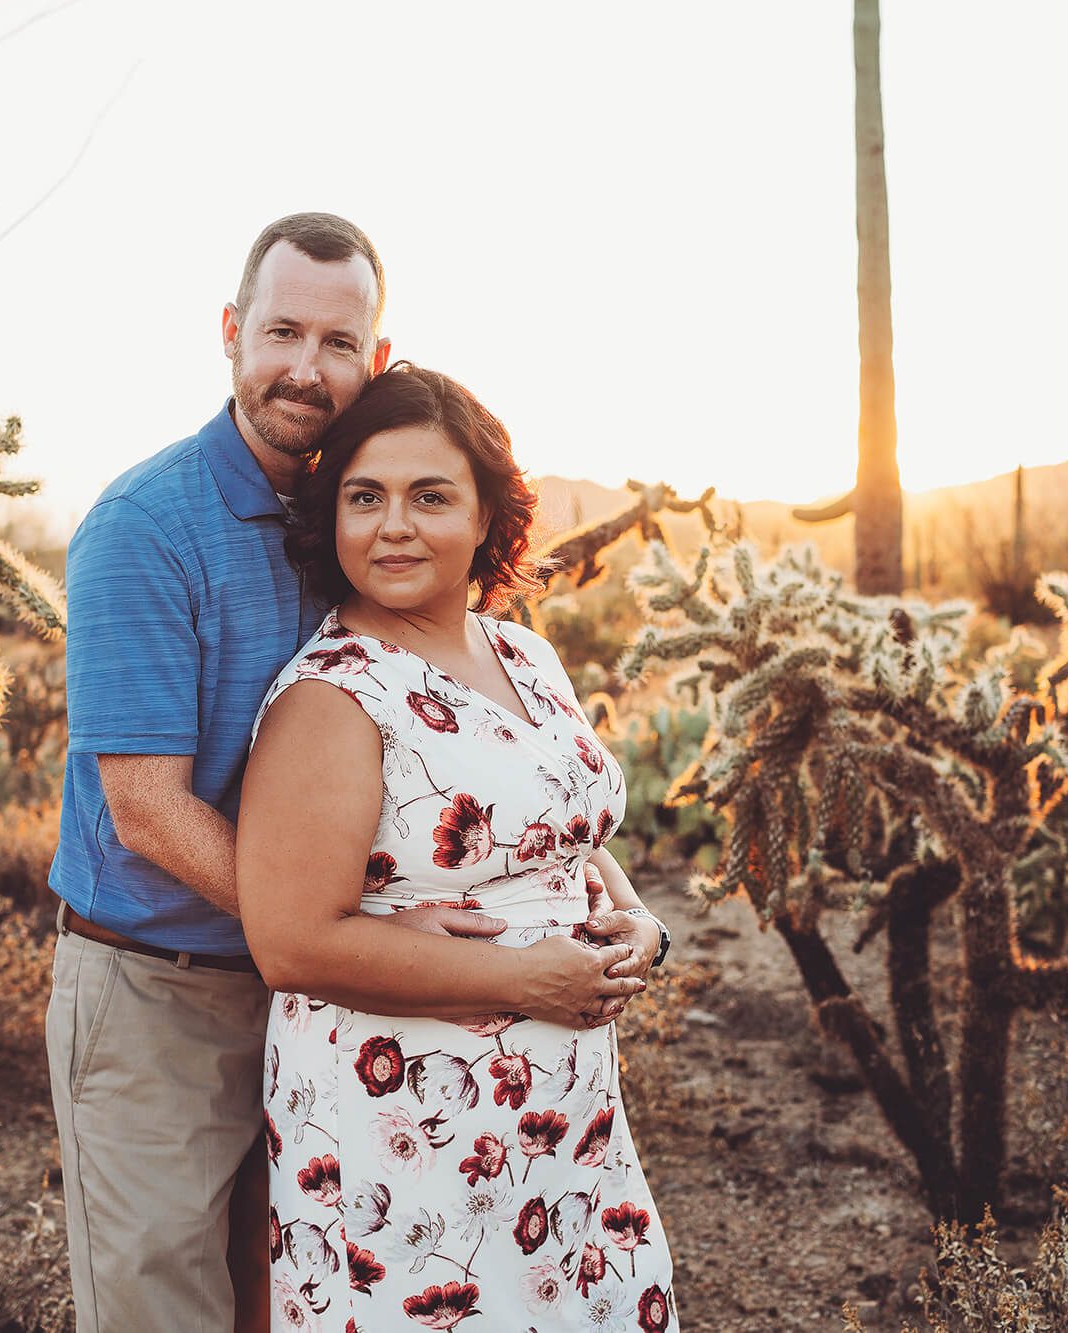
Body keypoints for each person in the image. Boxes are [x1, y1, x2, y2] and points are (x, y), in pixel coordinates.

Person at [46, 214, 644, 1333]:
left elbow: (473, 765)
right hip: (160, 982)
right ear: (231, 332)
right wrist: (349, 928)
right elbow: (143, 807)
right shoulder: (144, 525)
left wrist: (604, 909)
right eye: (280, 331)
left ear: (372, 357)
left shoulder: (349, 510)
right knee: (160, 1298)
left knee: (305, 1287)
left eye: (335, 341)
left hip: (333, 991)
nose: (303, 367)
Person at [239, 364, 679, 1332]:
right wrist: (527, 982)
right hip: (409, 1130)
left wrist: (637, 916)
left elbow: (564, 830)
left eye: (429, 496)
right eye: (364, 497)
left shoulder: (522, 652)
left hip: (564, 1122)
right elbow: (292, 943)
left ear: (486, 516)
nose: (392, 525)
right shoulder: (335, 697)